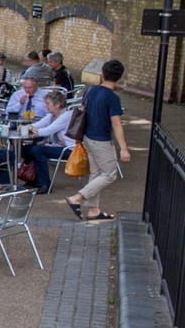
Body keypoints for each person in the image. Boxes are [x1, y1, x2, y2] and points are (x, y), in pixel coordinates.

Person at [67, 59, 132, 222]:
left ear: (102, 74)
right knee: (109, 174)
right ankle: (77, 197)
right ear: (119, 78)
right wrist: (123, 148)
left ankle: (93, 210)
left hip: (88, 137)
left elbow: (84, 112)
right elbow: (116, 124)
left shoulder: (91, 91)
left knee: (96, 174)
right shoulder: (112, 98)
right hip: (101, 140)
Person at [25, 91, 74, 193]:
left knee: (37, 150)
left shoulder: (66, 115)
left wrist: (31, 129)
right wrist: (27, 127)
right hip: (56, 145)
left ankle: (44, 184)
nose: (46, 106)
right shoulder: (52, 115)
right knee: (27, 149)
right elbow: (38, 124)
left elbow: (47, 130)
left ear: (57, 105)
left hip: (69, 149)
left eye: (48, 103)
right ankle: (32, 178)